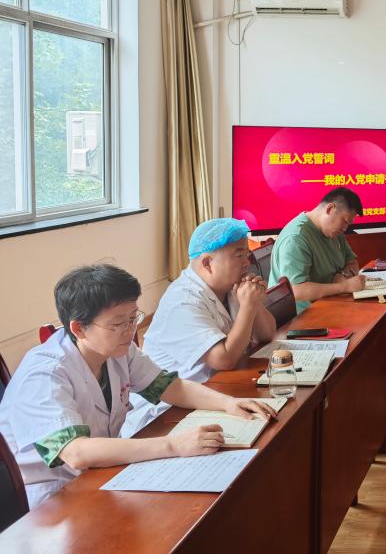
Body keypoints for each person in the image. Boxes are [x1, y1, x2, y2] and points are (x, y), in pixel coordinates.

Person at [0, 264, 276, 509]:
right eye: (118, 323)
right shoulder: (45, 375)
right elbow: (76, 453)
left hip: (100, 474)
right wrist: (173, 445)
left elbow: (171, 387)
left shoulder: (117, 350)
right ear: (79, 329)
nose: (130, 330)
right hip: (50, 499)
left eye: (133, 318)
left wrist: (228, 403)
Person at [122, 217, 277, 436]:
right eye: (239, 255)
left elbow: (267, 334)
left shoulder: (229, 287)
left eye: (247, 254)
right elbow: (224, 359)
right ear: (207, 263)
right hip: (170, 413)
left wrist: (254, 303)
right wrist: (248, 306)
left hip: (217, 390)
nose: (247, 263)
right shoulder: (183, 302)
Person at [269, 187, 367, 313]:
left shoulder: (334, 232)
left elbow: (352, 261)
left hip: (331, 303)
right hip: (302, 316)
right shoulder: (296, 239)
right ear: (330, 209)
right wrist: (343, 287)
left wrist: (343, 275)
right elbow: (297, 290)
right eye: (344, 221)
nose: (345, 228)